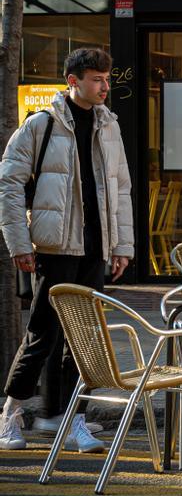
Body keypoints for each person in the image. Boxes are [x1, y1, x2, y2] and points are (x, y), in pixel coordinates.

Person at [0, 48, 133, 453]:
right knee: (43, 334)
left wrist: (121, 245)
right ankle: (10, 414)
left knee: (84, 338)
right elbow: (8, 184)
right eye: (97, 79)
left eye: (107, 79)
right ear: (72, 81)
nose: (105, 86)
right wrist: (19, 244)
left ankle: (68, 418)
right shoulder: (41, 125)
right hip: (55, 247)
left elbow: (122, 188)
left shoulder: (110, 125)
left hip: (95, 249)